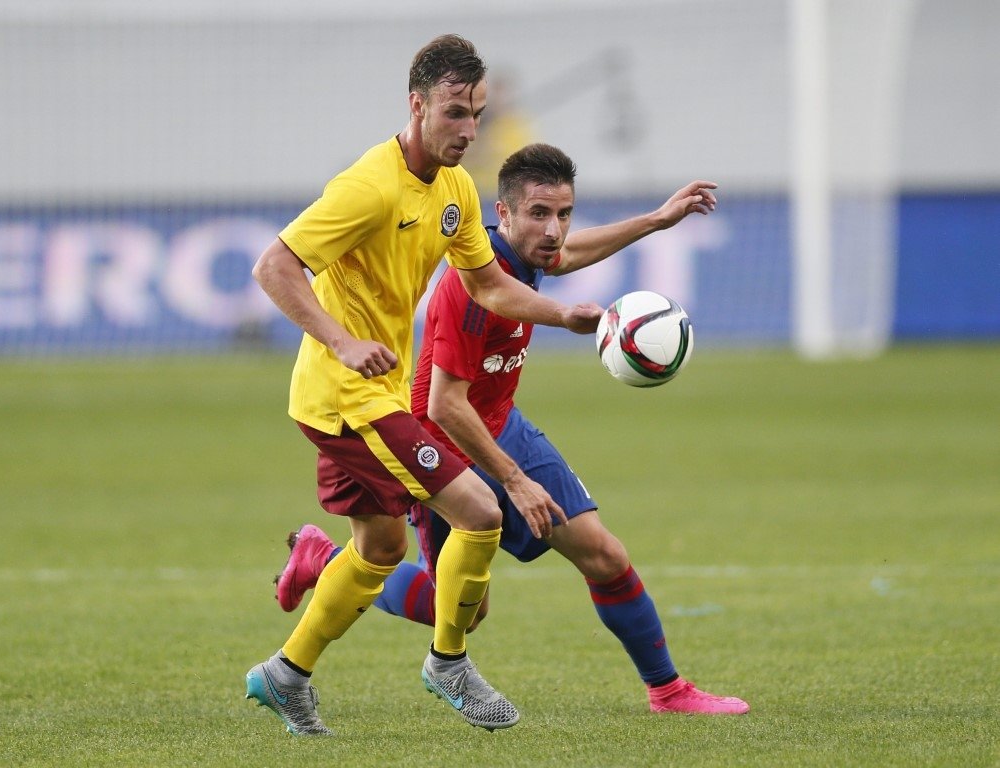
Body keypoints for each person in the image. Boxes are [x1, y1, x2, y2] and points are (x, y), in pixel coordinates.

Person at [274, 143, 750, 716]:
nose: (554, 231)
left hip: (504, 426)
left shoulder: (525, 254)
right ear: (504, 213)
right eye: (540, 215)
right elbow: (447, 406)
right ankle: (324, 562)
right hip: (446, 441)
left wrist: (656, 219)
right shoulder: (468, 288)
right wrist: (516, 480)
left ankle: (669, 691)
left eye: (564, 213)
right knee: (464, 611)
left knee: (602, 553)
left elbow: (567, 256)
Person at [244, 35, 603, 737]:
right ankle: (448, 664)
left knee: (380, 550)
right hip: (344, 399)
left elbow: (490, 283)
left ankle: (285, 675)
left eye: (476, 113)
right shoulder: (368, 187)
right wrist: (342, 340)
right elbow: (273, 267)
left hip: (370, 395)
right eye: (453, 113)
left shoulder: (457, 189)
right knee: (480, 509)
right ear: (417, 106)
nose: (468, 130)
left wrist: (562, 314)